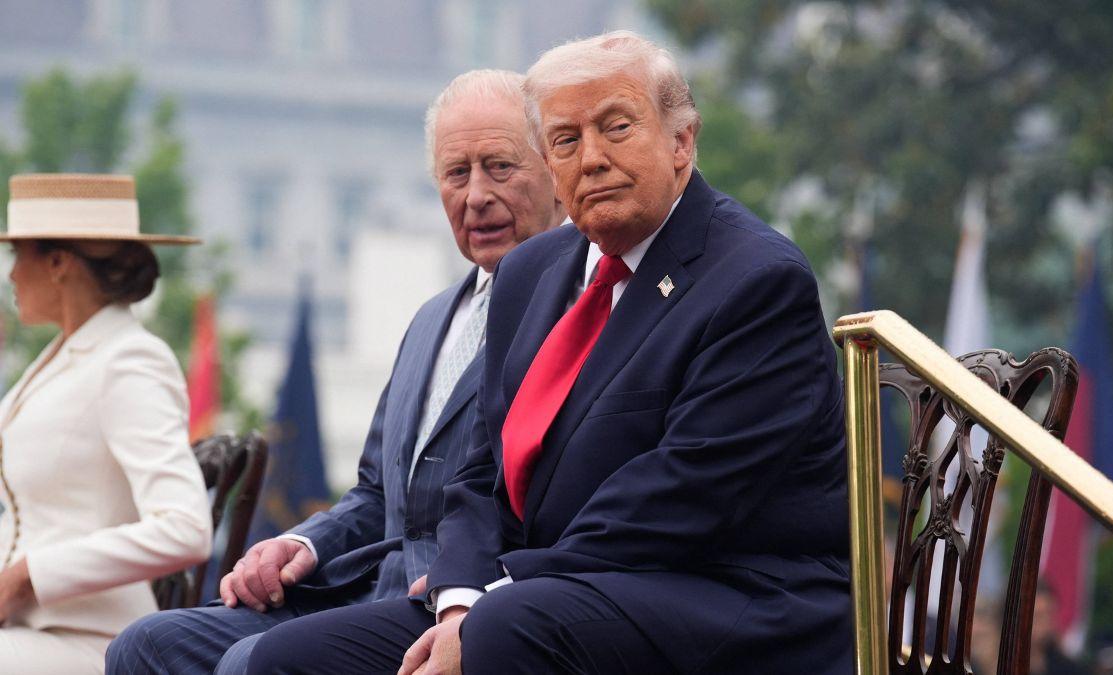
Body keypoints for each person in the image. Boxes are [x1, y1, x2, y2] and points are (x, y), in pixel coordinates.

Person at [243, 30, 853, 674]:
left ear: (682, 141)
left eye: (616, 127)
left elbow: (683, 497)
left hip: (724, 594)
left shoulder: (755, 279)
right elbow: (481, 473)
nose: (591, 158)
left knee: (507, 631)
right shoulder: (530, 271)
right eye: (565, 139)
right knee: (291, 658)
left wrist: (498, 590)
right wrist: (457, 598)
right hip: (541, 590)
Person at [107, 68, 565, 674]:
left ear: (557, 174)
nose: (476, 194)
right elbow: (377, 492)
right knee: (145, 646)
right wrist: (300, 544)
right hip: (358, 586)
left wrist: (471, 586)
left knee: (256, 660)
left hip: (462, 603)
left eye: (499, 167)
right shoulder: (432, 318)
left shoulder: (577, 309)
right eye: (456, 173)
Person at [0, 173, 211, 673]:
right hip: (26, 633)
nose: (9, 276)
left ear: (57, 263)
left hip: (91, 641)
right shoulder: (61, 357)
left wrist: (30, 574)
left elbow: (185, 529)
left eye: (17, 257)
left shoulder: (129, 360)